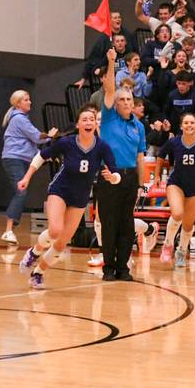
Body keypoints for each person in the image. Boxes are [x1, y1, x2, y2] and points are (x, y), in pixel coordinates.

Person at [17, 106, 120, 289]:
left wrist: (113, 178)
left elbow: (115, 171)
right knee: (55, 230)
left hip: (80, 198)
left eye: (92, 119)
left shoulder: (102, 147)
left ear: (96, 123)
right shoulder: (67, 143)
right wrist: (26, 177)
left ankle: (38, 272)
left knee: (62, 242)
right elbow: (41, 156)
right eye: (85, 119)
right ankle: (34, 252)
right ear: (79, 124)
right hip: (60, 190)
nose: (89, 122)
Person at [96, 48, 147, 281]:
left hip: (130, 178)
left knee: (127, 224)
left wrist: (142, 184)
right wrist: (111, 62)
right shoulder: (108, 118)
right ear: (115, 104)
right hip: (109, 175)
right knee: (110, 222)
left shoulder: (139, 126)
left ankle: (123, 268)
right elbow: (109, 88)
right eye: (122, 99)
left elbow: (140, 158)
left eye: (129, 99)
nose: (126, 102)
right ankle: (108, 267)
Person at [155, 113, 195, 268]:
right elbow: (160, 156)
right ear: (181, 126)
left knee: (188, 225)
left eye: (192, 123)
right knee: (177, 213)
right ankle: (168, 244)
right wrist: (156, 176)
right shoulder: (174, 142)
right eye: (186, 123)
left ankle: (181, 251)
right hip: (176, 183)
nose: (189, 125)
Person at [1, 91, 58, 245]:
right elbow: (36, 137)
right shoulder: (19, 119)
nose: (30, 102)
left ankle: (11, 228)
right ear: (18, 104)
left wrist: (46, 156)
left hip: (19, 159)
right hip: (14, 159)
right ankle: (8, 230)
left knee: (21, 191)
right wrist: (50, 135)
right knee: (21, 191)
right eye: (26, 100)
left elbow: (30, 146)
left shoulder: (20, 118)